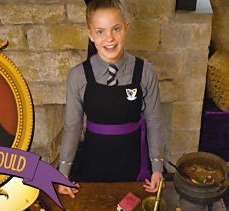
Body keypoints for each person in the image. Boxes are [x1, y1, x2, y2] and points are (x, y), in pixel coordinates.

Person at [57, 0, 164, 198]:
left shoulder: (145, 71)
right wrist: (63, 172)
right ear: (90, 34)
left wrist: (157, 167)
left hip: (134, 164)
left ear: (126, 28)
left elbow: (155, 122)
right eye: (100, 32)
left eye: (116, 29)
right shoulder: (78, 76)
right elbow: (72, 127)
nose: (110, 39)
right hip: (94, 161)